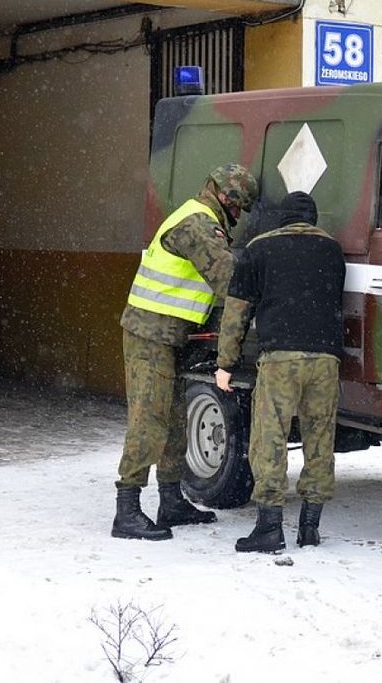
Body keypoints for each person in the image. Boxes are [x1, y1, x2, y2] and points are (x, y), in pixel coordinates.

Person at [112, 164, 259, 541]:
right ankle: (126, 510)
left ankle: (171, 501)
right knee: (149, 419)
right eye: (238, 207)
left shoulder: (201, 218)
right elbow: (230, 280)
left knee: (176, 420)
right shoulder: (198, 224)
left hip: (173, 337)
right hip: (150, 335)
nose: (238, 215)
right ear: (225, 197)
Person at [215, 191, 345, 553]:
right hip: (326, 358)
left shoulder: (260, 248)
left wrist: (225, 363)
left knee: (270, 437)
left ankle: (269, 527)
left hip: (280, 358)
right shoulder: (332, 250)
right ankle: (310, 527)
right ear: (313, 219)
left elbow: (236, 312)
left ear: (282, 218)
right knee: (320, 439)